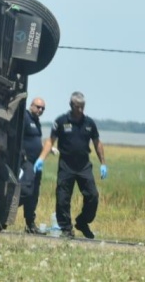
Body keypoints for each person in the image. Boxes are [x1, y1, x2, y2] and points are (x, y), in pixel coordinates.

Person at [34, 91, 107, 239]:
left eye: (83, 107)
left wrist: (103, 163)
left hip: (84, 165)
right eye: (78, 107)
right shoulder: (61, 121)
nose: (80, 110)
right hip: (66, 164)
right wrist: (41, 158)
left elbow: (97, 143)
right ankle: (66, 229)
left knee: (93, 195)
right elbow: (50, 141)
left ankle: (82, 221)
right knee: (62, 198)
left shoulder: (89, 123)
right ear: (71, 105)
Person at [20, 97, 47, 233]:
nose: (40, 110)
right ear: (31, 105)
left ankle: (30, 224)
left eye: (42, 108)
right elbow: (19, 136)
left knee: (34, 194)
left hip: (37, 163)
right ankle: (7, 210)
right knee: (26, 189)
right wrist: (23, 155)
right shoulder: (25, 117)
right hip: (27, 161)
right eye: (38, 107)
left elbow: (37, 140)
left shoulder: (37, 122)